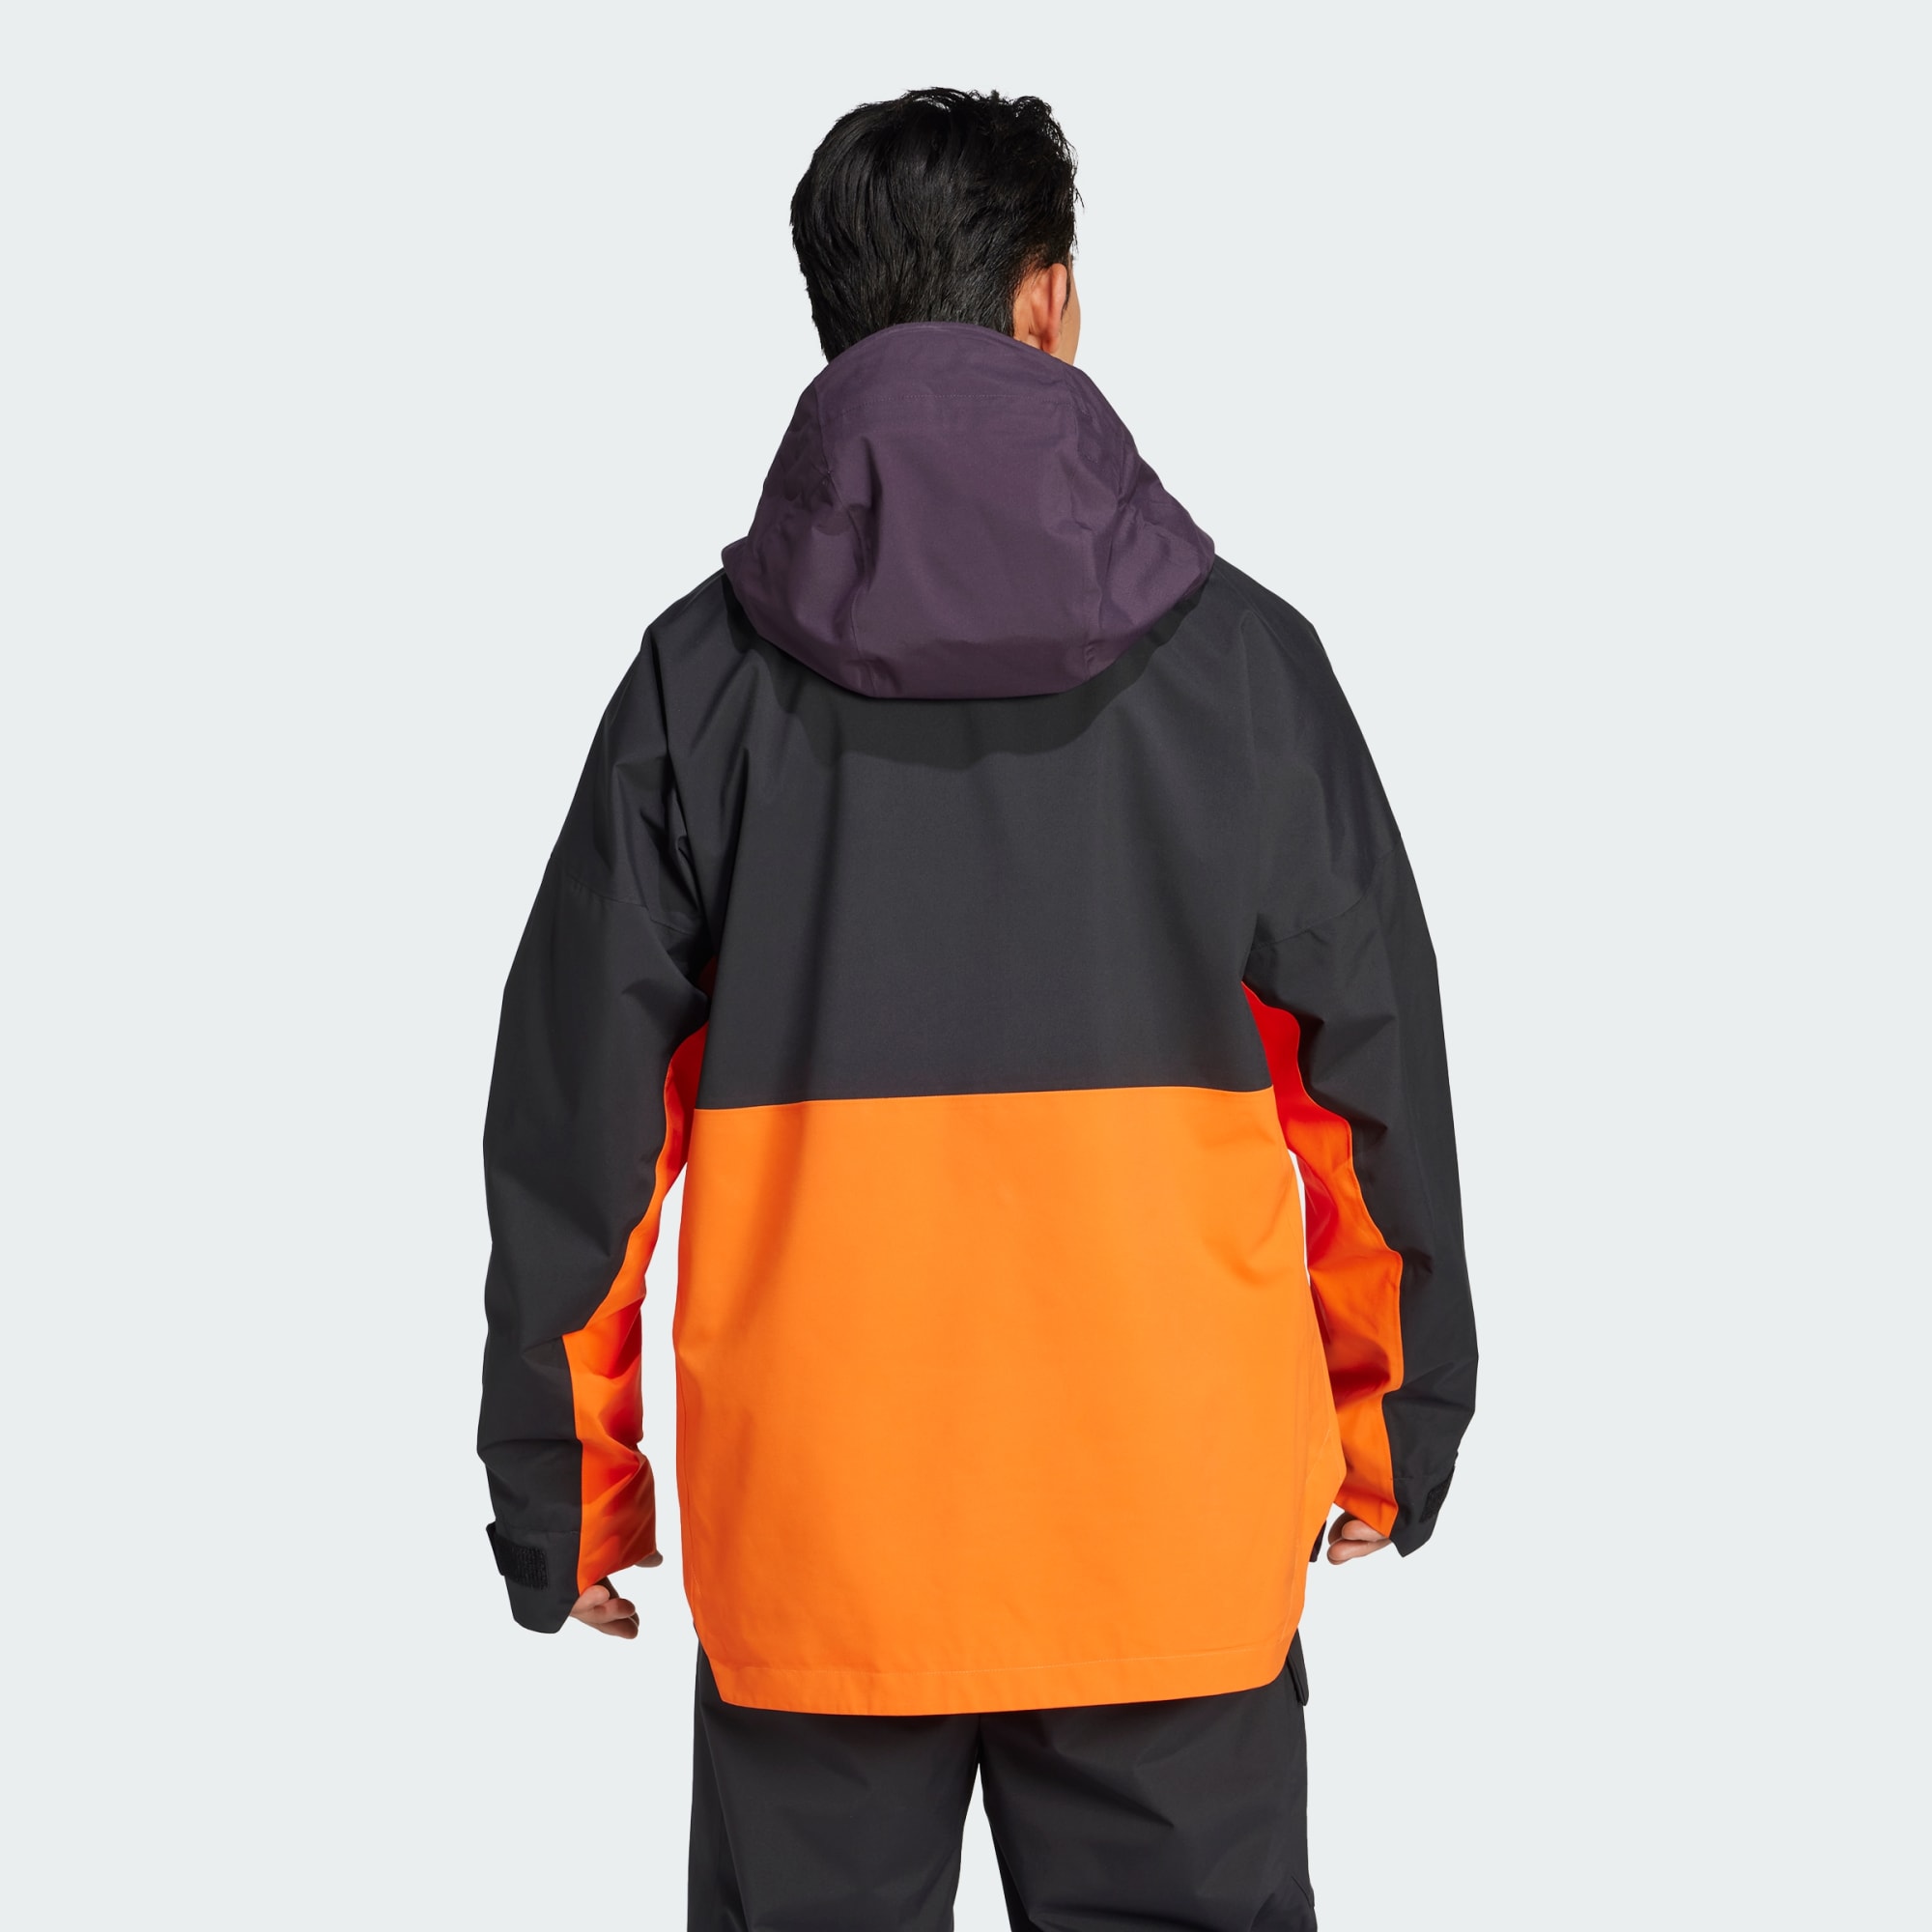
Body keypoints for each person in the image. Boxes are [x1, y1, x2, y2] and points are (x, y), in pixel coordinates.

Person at [478, 86, 1476, 1931]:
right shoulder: (1246, 666)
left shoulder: (699, 685)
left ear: (836, 317)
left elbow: (580, 1124)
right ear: (1048, 300)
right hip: (1167, 1541)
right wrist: (1390, 1425)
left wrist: (568, 1488)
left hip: (824, 1554)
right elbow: (1368, 1080)